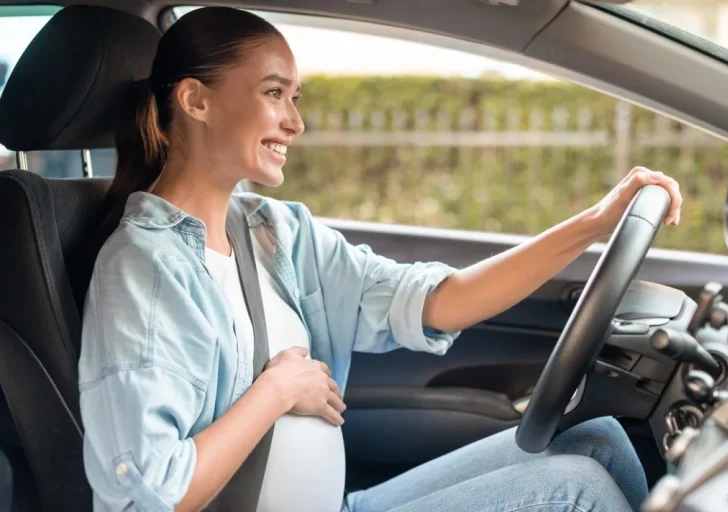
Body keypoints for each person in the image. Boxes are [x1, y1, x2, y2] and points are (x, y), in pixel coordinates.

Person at [78, 7, 683, 512]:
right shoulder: (146, 267)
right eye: (273, 94)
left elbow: (439, 303)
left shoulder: (273, 232)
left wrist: (596, 224)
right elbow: (150, 492)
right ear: (195, 100)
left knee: (599, 442)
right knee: (576, 490)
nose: (296, 120)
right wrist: (277, 390)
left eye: (295, 97)